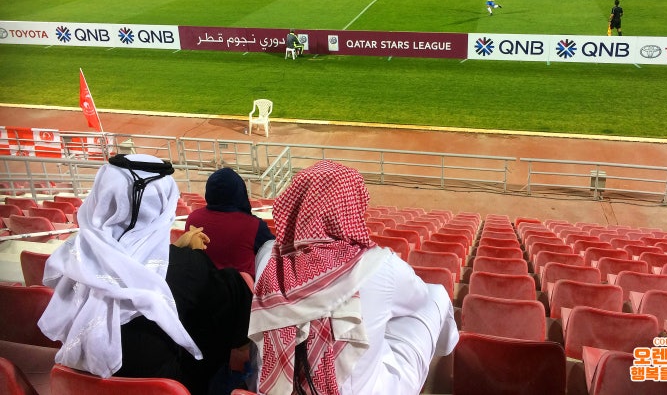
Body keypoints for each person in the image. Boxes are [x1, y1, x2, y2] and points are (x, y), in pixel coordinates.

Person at [38, 154, 252, 395]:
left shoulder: (71, 259)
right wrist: (190, 257)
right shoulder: (190, 268)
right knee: (233, 284)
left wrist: (176, 252)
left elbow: (128, 267)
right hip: (167, 384)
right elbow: (222, 309)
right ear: (163, 203)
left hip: (79, 385)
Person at [248, 161, 458, 395]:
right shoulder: (380, 264)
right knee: (437, 294)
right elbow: (419, 298)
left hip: (276, 387)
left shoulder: (267, 254)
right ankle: (446, 366)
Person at [185, 167, 274, 278]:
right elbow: (274, 256)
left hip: (199, 290)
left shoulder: (192, 218)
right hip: (242, 292)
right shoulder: (253, 225)